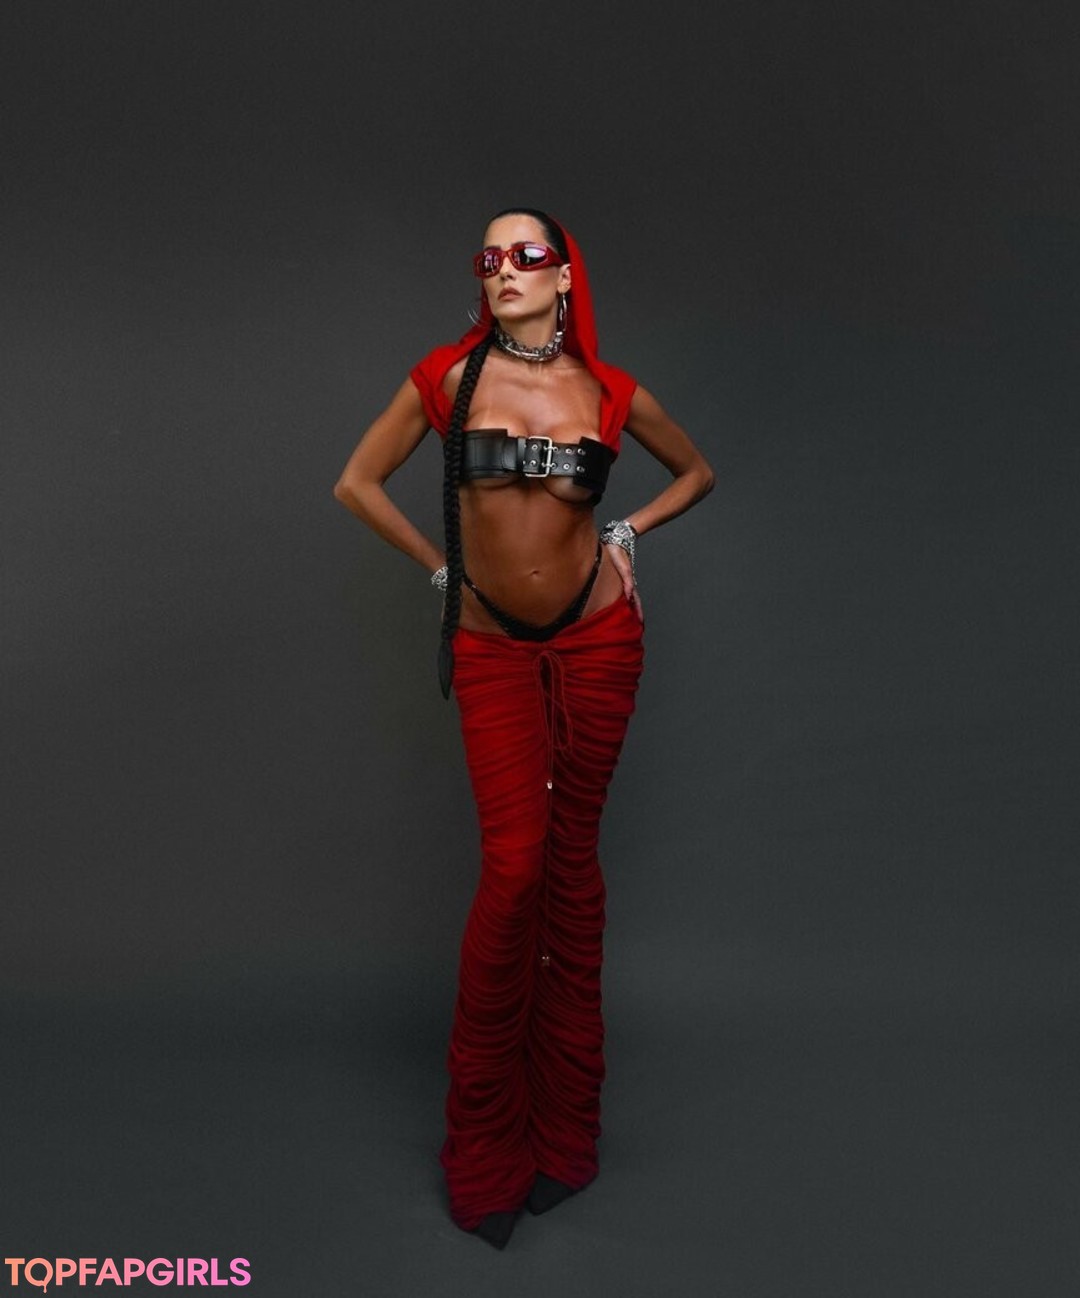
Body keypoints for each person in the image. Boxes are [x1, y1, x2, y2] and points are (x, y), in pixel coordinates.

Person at [333, 208, 714, 1248]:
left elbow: (697, 472)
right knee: (513, 871)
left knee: (572, 869)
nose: (505, 270)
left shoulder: (609, 390)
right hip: (492, 646)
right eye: (489, 258)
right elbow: (355, 481)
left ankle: (566, 1128)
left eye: (526, 255)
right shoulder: (447, 379)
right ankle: (489, 1143)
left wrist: (628, 530)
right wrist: (440, 571)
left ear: (565, 275)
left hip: (599, 640)